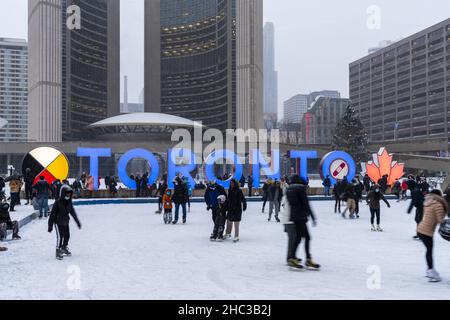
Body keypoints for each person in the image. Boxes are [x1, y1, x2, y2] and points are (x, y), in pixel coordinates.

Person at [285, 175, 320, 270]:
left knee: (299, 237)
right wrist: (312, 216)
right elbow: (306, 203)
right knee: (306, 237)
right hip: (301, 216)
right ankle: (305, 259)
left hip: (294, 216)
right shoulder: (300, 189)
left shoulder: (288, 190)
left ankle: (293, 257)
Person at [417, 189, 449, 282]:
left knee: (428, 250)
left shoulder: (428, 202)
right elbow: (440, 220)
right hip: (427, 231)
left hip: (421, 229)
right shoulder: (438, 204)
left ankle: (429, 270)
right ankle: (431, 271)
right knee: (429, 251)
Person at [48, 185, 82, 260]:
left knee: (67, 235)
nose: (68, 195)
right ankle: (58, 250)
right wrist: (50, 225)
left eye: (70, 194)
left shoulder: (69, 202)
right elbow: (52, 214)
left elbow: (73, 213)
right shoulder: (57, 202)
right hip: (57, 222)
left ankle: (63, 247)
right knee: (60, 236)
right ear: (63, 194)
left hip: (65, 221)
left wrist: (77, 222)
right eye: (67, 194)